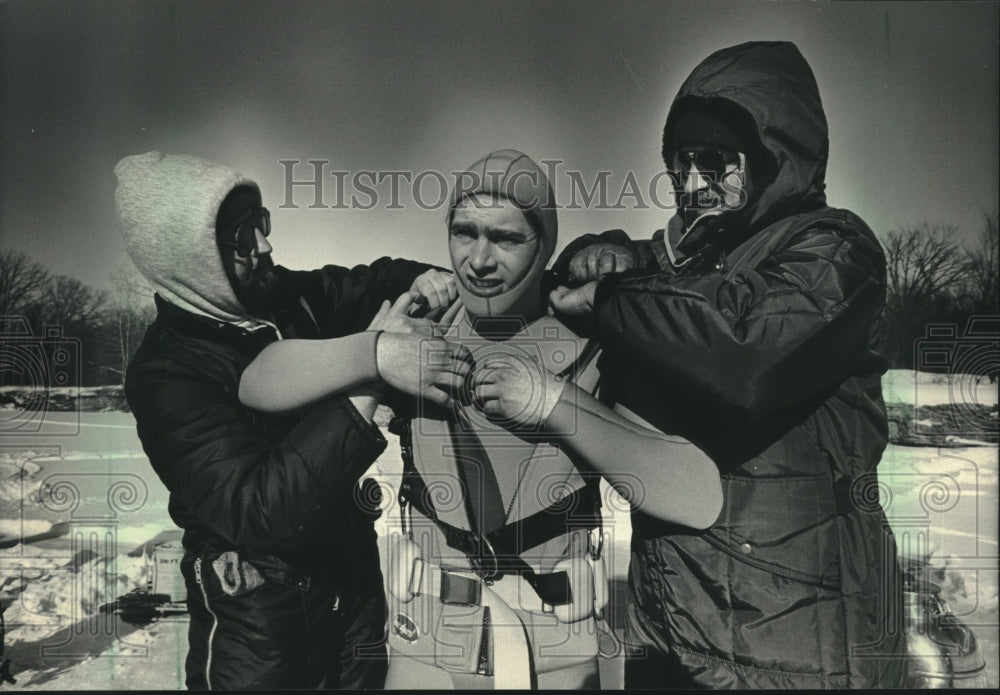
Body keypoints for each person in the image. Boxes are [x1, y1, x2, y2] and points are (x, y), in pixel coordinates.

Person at [239, 149, 724, 689]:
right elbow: (257, 383)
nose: (479, 260)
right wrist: (374, 355)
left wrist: (553, 403)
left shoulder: (593, 347)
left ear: (544, 247)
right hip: (424, 648)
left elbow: (698, 494)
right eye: (463, 232)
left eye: (507, 239)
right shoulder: (422, 331)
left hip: (554, 657)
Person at [549, 41, 907, 688]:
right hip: (676, 639)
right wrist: (596, 251)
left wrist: (611, 293)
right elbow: (621, 272)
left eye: (715, 162)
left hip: (804, 653)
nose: (692, 184)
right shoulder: (674, 270)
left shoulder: (837, 250)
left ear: (773, 161)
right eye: (680, 165)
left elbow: (745, 351)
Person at [115, 151, 470, 690]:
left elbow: (371, 282)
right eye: (241, 238)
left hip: (351, 593)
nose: (265, 246)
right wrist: (368, 377)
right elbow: (258, 509)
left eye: (262, 224)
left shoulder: (284, 297)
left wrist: (423, 280)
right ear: (189, 259)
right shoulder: (167, 372)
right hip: (260, 624)